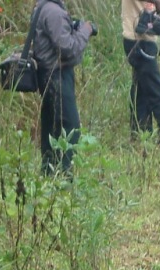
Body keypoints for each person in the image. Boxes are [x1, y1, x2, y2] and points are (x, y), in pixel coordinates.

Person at [32, 0, 94, 175]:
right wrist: (85, 30)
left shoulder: (42, 7)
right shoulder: (54, 12)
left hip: (47, 75)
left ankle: (48, 172)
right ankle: (64, 175)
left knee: (51, 127)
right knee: (70, 127)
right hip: (57, 76)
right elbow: (68, 48)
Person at [122, 0, 160, 146]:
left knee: (142, 91)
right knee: (157, 91)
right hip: (138, 40)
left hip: (143, 38)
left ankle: (141, 135)